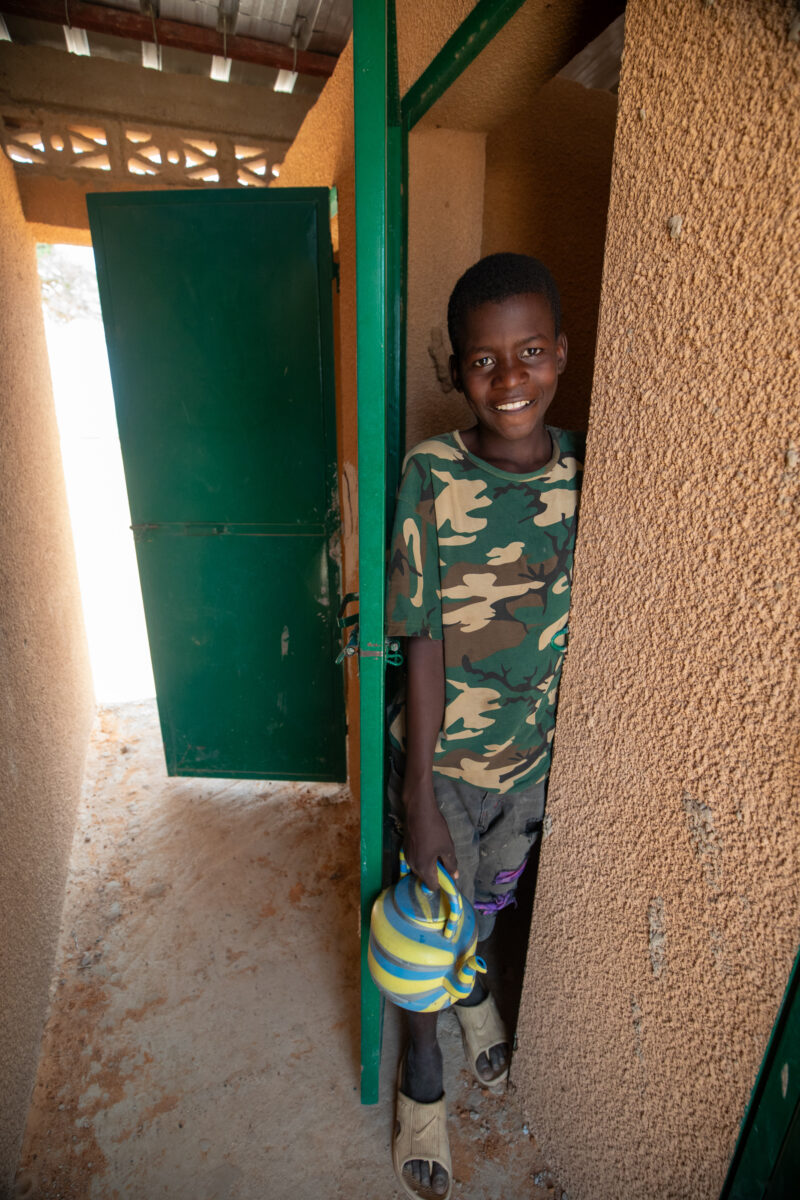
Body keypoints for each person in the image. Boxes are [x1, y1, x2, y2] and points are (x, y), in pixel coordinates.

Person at [385, 252, 585, 1199]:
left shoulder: (589, 473)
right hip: (447, 761)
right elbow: (419, 632)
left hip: (535, 765)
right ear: (456, 370)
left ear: (562, 353)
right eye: (484, 360)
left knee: (490, 900)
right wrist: (417, 791)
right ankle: (422, 1081)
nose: (510, 379)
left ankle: (474, 995)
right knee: (429, 912)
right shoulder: (433, 472)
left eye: (531, 351)